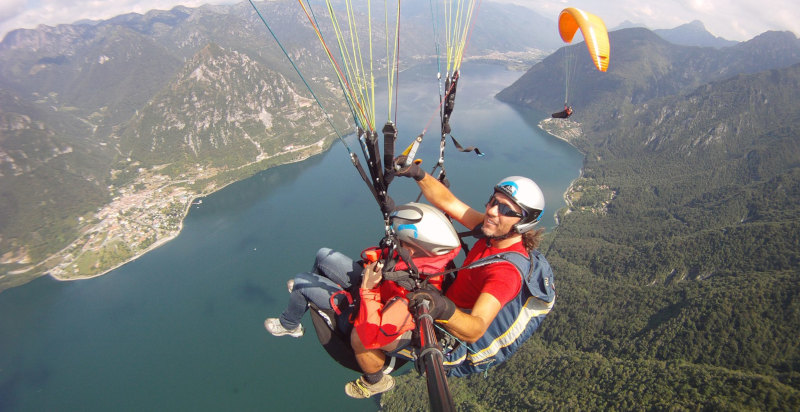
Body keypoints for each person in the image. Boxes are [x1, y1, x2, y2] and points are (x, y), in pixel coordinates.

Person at [351, 159, 556, 379]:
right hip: (444, 303)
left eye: (506, 209)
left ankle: (375, 381)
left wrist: (442, 308)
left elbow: (476, 329)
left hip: (449, 340)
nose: (492, 211)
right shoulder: (494, 233)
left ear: (523, 224)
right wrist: (418, 173)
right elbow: (449, 202)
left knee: (361, 336)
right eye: (493, 201)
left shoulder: (505, 273)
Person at [263, 202, 461, 397]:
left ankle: (290, 325)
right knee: (323, 255)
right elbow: (390, 257)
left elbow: (369, 335)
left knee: (301, 282)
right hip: (377, 289)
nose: (395, 242)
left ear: (410, 250)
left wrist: (368, 288)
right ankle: (310, 288)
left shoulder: (416, 297)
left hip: (363, 316)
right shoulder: (419, 260)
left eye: (399, 241)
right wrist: (378, 261)